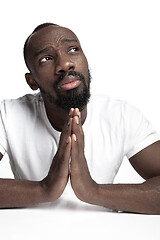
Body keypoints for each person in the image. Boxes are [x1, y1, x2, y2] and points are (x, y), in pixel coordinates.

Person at [0, 22, 160, 214]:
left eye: (73, 49)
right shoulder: (9, 115)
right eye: (47, 58)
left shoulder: (121, 115)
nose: (65, 64)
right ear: (32, 80)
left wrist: (93, 191)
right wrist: (44, 189)